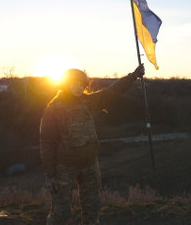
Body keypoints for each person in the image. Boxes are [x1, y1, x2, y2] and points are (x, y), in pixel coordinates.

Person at [40, 64, 145, 225]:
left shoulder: (88, 102)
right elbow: (47, 143)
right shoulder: (54, 109)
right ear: (65, 84)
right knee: (61, 213)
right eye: (74, 83)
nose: (79, 87)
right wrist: (50, 175)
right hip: (64, 168)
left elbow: (112, 92)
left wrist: (133, 76)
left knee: (93, 206)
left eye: (82, 84)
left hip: (90, 164)